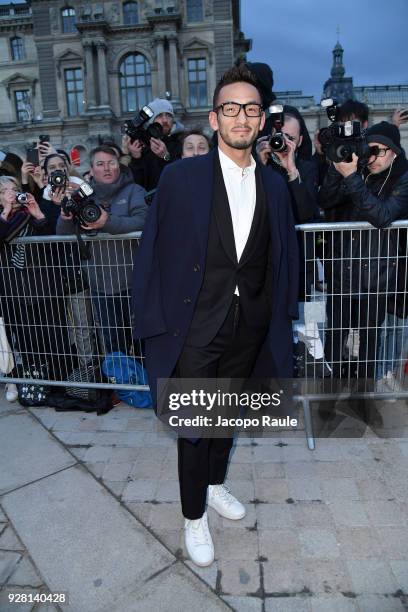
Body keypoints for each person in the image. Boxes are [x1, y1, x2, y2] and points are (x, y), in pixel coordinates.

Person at [132, 65, 299, 567]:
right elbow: (154, 252)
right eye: (231, 108)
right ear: (214, 118)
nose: (241, 117)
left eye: (251, 108)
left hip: (250, 326)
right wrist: (152, 320)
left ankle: (215, 483)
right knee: (195, 425)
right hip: (194, 326)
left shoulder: (274, 184)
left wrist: (278, 317)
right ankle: (192, 515)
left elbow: (284, 257)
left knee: (227, 415)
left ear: (260, 118)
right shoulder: (180, 178)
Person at [318, 122, 408, 381]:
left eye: (377, 151)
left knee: (370, 346)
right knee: (334, 341)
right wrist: (338, 167)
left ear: (394, 151)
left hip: (376, 279)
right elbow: (326, 200)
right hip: (343, 274)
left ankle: (364, 399)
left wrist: (351, 177)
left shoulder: (404, 176)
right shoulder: (359, 170)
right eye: (368, 150)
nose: (371, 157)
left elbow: (382, 215)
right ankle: (328, 400)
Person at [57, 145, 148, 355]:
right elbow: (63, 235)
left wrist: (107, 222)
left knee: (144, 341)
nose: (106, 168)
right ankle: (123, 387)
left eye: (111, 163)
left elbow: (144, 221)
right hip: (101, 285)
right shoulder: (83, 196)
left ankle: (147, 385)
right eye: (100, 164)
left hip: (136, 282)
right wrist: (65, 217)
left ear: (119, 165)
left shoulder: (134, 191)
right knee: (114, 344)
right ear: (92, 169)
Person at [0, 175, 71, 388]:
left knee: (54, 338)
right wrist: (5, 210)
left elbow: (53, 246)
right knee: (26, 341)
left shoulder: (29, 214)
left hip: (44, 288)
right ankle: (36, 384)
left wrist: (38, 214)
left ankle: (61, 382)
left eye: (15, 189)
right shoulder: (3, 218)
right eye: (6, 191)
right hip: (14, 292)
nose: (13, 194)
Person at [123, 98, 182, 191]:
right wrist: (136, 159)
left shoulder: (182, 141)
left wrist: (165, 156)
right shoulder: (144, 145)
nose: (165, 120)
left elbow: (183, 175)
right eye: (159, 116)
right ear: (151, 121)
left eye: (169, 115)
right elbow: (138, 187)